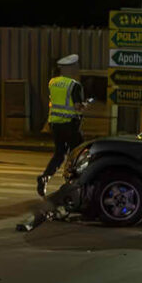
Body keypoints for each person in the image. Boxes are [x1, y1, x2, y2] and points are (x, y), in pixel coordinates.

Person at [37, 54, 87, 196]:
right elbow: (77, 107)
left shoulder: (52, 82)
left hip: (55, 125)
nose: (77, 69)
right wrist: (84, 106)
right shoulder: (74, 85)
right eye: (75, 67)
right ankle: (73, 184)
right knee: (78, 154)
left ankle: (44, 177)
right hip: (69, 125)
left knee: (59, 154)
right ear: (70, 69)